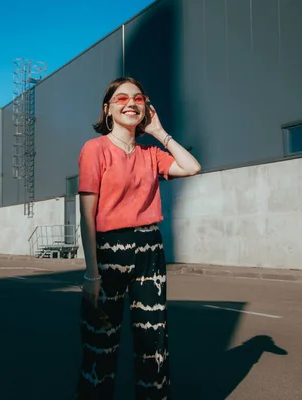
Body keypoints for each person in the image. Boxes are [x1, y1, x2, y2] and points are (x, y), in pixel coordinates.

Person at [76, 77, 201, 399]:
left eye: (138, 98)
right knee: (101, 341)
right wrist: (92, 273)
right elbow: (86, 215)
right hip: (109, 252)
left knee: (153, 342)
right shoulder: (95, 149)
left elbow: (192, 167)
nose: (131, 103)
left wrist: (159, 132)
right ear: (107, 110)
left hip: (150, 250)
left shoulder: (151, 153)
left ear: (146, 107)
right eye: (121, 99)